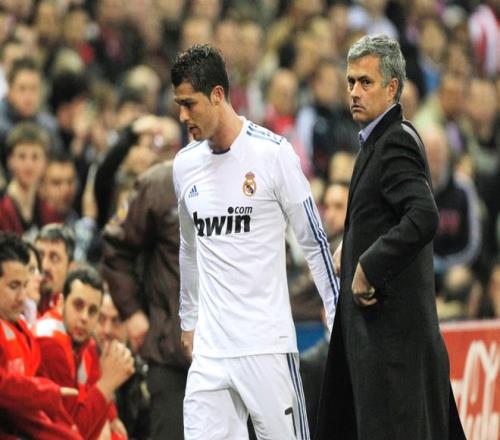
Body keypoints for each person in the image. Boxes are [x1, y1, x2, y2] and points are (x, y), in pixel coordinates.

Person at [171, 44, 338, 440]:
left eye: (189, 104)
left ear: (217, 95)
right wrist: (189, 319)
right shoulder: (184, 165)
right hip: (211, 353)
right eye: (179, 105)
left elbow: (313, 239)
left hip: (267, 346)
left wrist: (337, 313)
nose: (182, 116)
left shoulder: (273, 154)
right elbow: (189, 245)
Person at [315, 34, 465, 440]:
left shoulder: (394, 141)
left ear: (392, 87)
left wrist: (368, 266)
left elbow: (423, 215)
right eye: (350, 81)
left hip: (393, 355)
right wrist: (353, 245)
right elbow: (387, 215)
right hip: (384, 350)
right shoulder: (377, 140)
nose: (354, 91)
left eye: (366, 82)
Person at [35, 265, 134, 440]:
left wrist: (112, 417)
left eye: (92, 311)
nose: (84, 317)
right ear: (61, 303)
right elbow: (71, 433)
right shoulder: (51, 344)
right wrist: (108, 384)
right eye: (78, 305)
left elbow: (94, 384)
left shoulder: (85, 343)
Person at [0, 231, 82, 439]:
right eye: (13, 286)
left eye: (24, 285)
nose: (22, 297)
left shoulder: (22, 328)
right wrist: (44, 393)